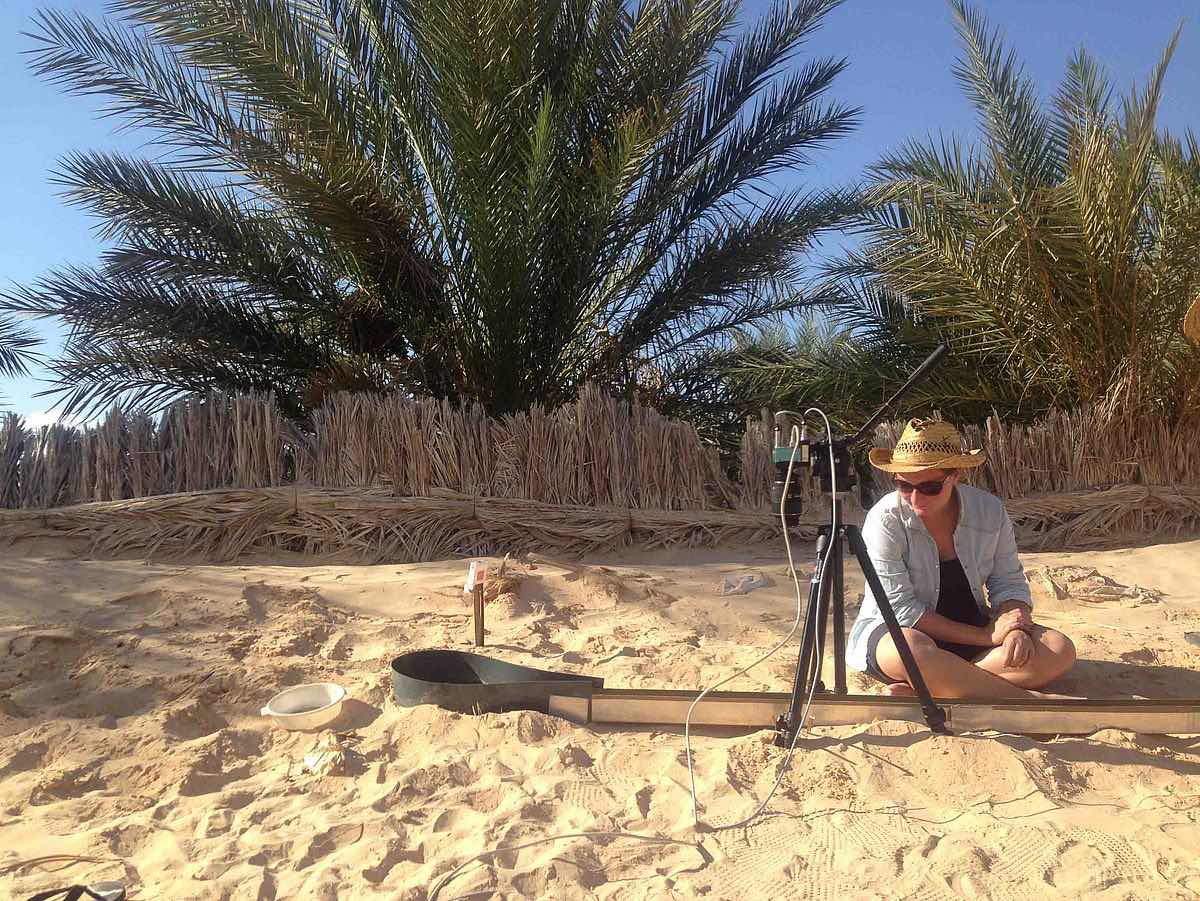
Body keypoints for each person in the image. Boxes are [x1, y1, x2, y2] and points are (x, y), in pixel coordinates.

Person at [846, 418, 1076, 698]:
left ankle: (937, 686)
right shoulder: (885, 520)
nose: (915, 499)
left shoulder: (989, 510)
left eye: (929, 487)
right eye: (904, 486)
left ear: (954, 476)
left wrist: (1016, 627)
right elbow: (901, 610)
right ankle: (1024, 701)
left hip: (971, 625)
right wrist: (987, 637)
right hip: (900, 633)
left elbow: (1009, 583)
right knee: (911, 650)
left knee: (1058, 648)